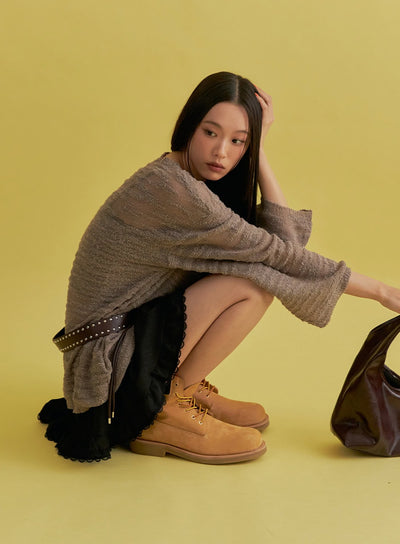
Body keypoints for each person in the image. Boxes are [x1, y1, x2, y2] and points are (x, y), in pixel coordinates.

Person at [39, 71, 400, 464]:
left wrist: (258, 150)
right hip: (108, 363)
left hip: (128, 335)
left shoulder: (192, 179)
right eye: (210, 133)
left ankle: (182, 387)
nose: (221, 152)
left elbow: (286, 244)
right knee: (252, 284)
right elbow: (279, 254)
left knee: (254, 274)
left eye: (237, 140)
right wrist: (381, 291)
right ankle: (163, 406)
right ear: (189, 128)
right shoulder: (172, 191)